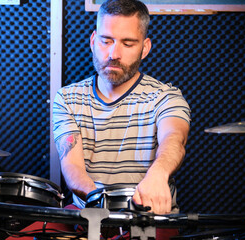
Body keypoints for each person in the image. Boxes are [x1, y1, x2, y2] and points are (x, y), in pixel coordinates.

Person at [52, 0, 190, 238]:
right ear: (93, 41)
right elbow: (73, 170)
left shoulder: (166, 97)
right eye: (106, 41)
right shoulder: (67, 97)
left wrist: (158, 176)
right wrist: (106, 208)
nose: (114, 54)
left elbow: (174, 140)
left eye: (128, 43)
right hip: (86, 216)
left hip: (148, 217)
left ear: (145, 48)